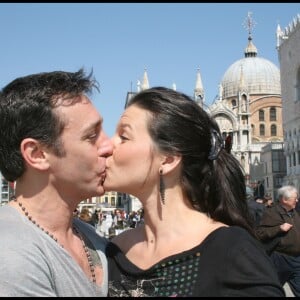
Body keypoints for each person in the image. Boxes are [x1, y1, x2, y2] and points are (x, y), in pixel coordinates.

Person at [104, 87, 284, 297]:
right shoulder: (111, 251)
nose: (107, 145)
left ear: (168, 159)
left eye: (123, 136)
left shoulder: (233, 252)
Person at [0, 69, 113, 296]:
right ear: (37, 154)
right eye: (92, 136)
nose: (109, 146)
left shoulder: (89, 236)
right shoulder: (11, 255)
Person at [255, 185, 300, 296]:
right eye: (295, 198)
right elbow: (260, 233)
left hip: (297, 259)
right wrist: (279, 228)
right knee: (273, 291)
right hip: (280, 259)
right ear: (284, 199)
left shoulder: (294, 212)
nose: (297, 200)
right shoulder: (271, 213)